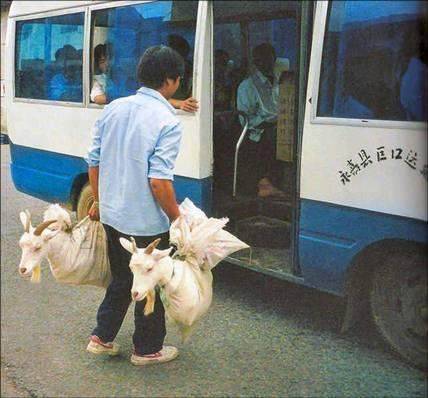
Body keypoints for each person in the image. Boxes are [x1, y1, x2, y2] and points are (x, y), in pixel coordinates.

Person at [85, 45, 184, 366]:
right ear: (170, 81)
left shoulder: (114, 108)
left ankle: (102, 336)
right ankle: (147, 349)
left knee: (122, 278)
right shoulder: (167, 120)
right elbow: (159, 182)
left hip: (113, 216)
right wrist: (178, 218)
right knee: (150, 282)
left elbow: (94, 162)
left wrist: (99, 201)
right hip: (146, 224)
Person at [237, 43, 285, 198]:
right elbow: (245, 120)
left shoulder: (280, 81)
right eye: (262, 60)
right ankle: (265, 184)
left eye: (270, 59)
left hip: (280, 124)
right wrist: (269, 120)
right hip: (258, 133)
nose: (267, 63)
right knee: (274, 136)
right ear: (256, 62)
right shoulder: (247, 86)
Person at [167, 34, 199, 112]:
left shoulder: (191, 69)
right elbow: (154, 98)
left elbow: (195, 101)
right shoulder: (161, 70)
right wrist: (179, 103)